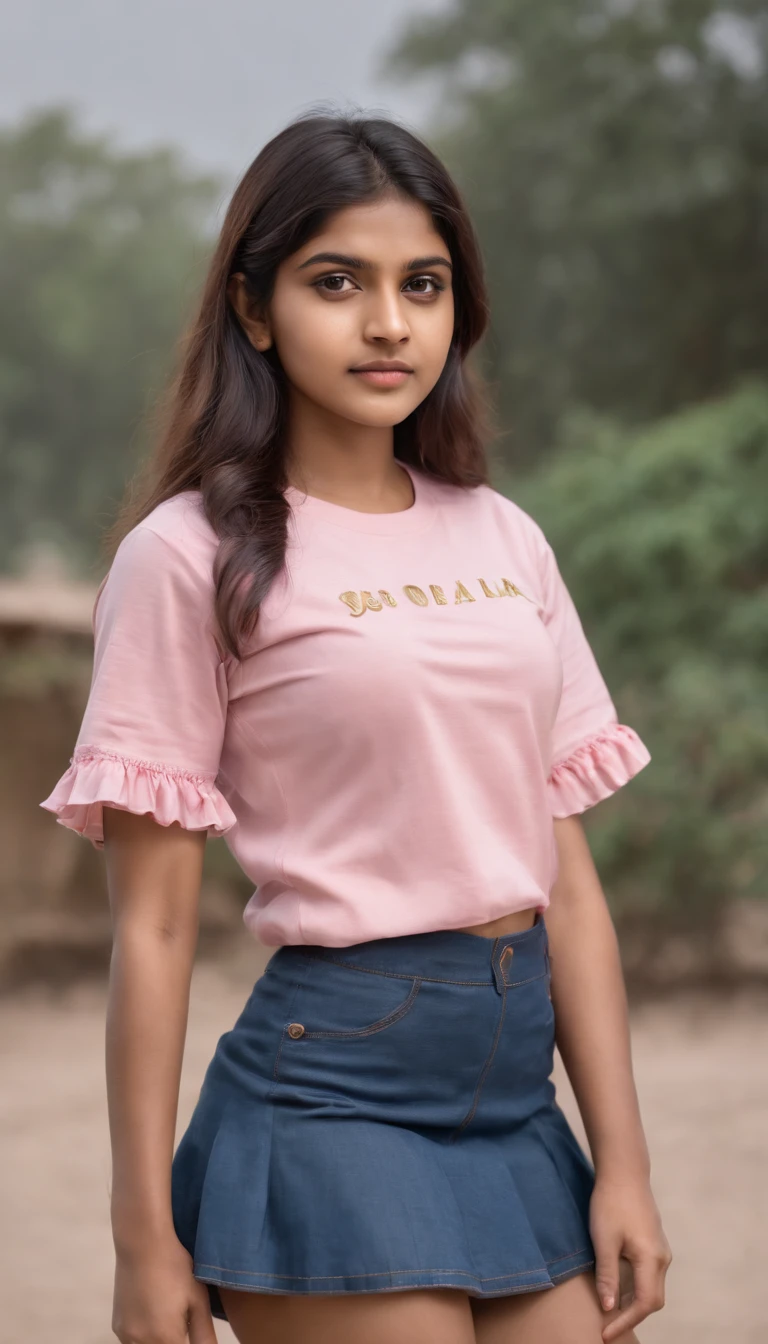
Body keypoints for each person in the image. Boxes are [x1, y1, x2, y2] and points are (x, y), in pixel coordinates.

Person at [40, 109, 671, 1344]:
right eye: (339, 282)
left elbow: (571, 888)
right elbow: (157, 925)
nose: (389, 323)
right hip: (334, 1090)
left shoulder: (505, 538)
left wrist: (627, 1164)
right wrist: (140, 1238)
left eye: (422, 285)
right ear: (256, 307)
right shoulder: (186, 560)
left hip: (514, 1090)